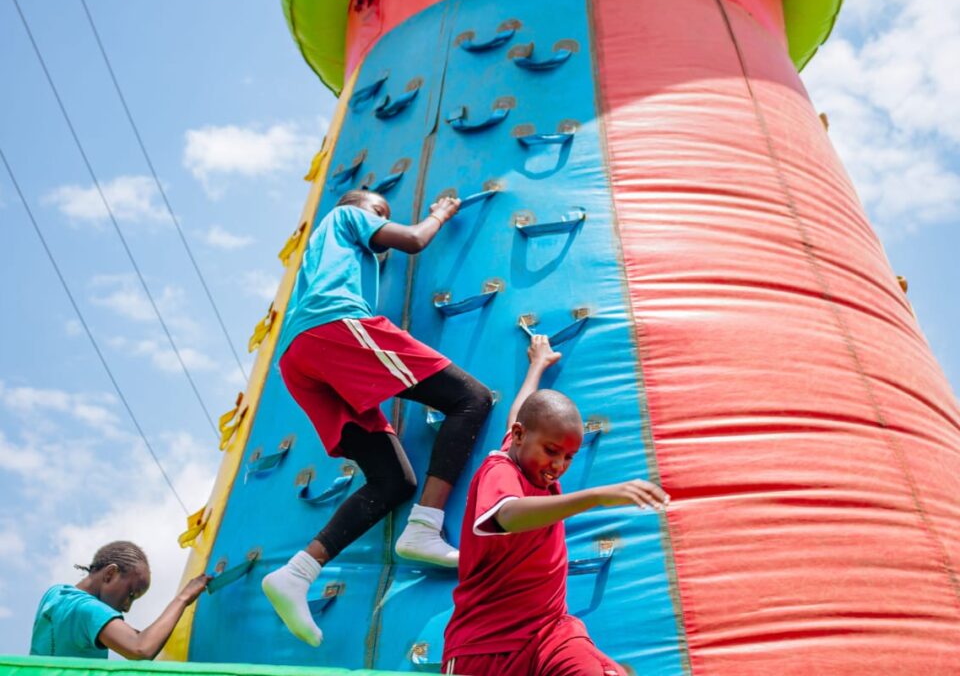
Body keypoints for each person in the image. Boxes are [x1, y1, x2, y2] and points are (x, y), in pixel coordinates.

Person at [263, 189, 493, 647]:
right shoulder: (348, 216)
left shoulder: (328, 256)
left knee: (392, 481)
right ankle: (425, 526)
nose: (381, 223)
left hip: (297, 358)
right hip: (336, 327)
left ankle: (297, 572)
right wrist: (439, 214)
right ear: (356, 209)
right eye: (379, 213)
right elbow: (412, 240)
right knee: (472, 398)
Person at [442, 336, 670, 676]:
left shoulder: (529, 454)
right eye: (551, 451)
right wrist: (595, 497)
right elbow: (506, 515)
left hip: (551, 630)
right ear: (520, 438)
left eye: (569, 457)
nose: (558, 465)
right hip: (488, 645)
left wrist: (537, 365)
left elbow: (520, 413)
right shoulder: (499, 470)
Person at [30, 540, 210, 660]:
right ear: (109, 574)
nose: (127, 607)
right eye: (131, 594)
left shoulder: (56, 594)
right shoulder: (90, 611)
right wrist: (183, 598)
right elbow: (141, 648)